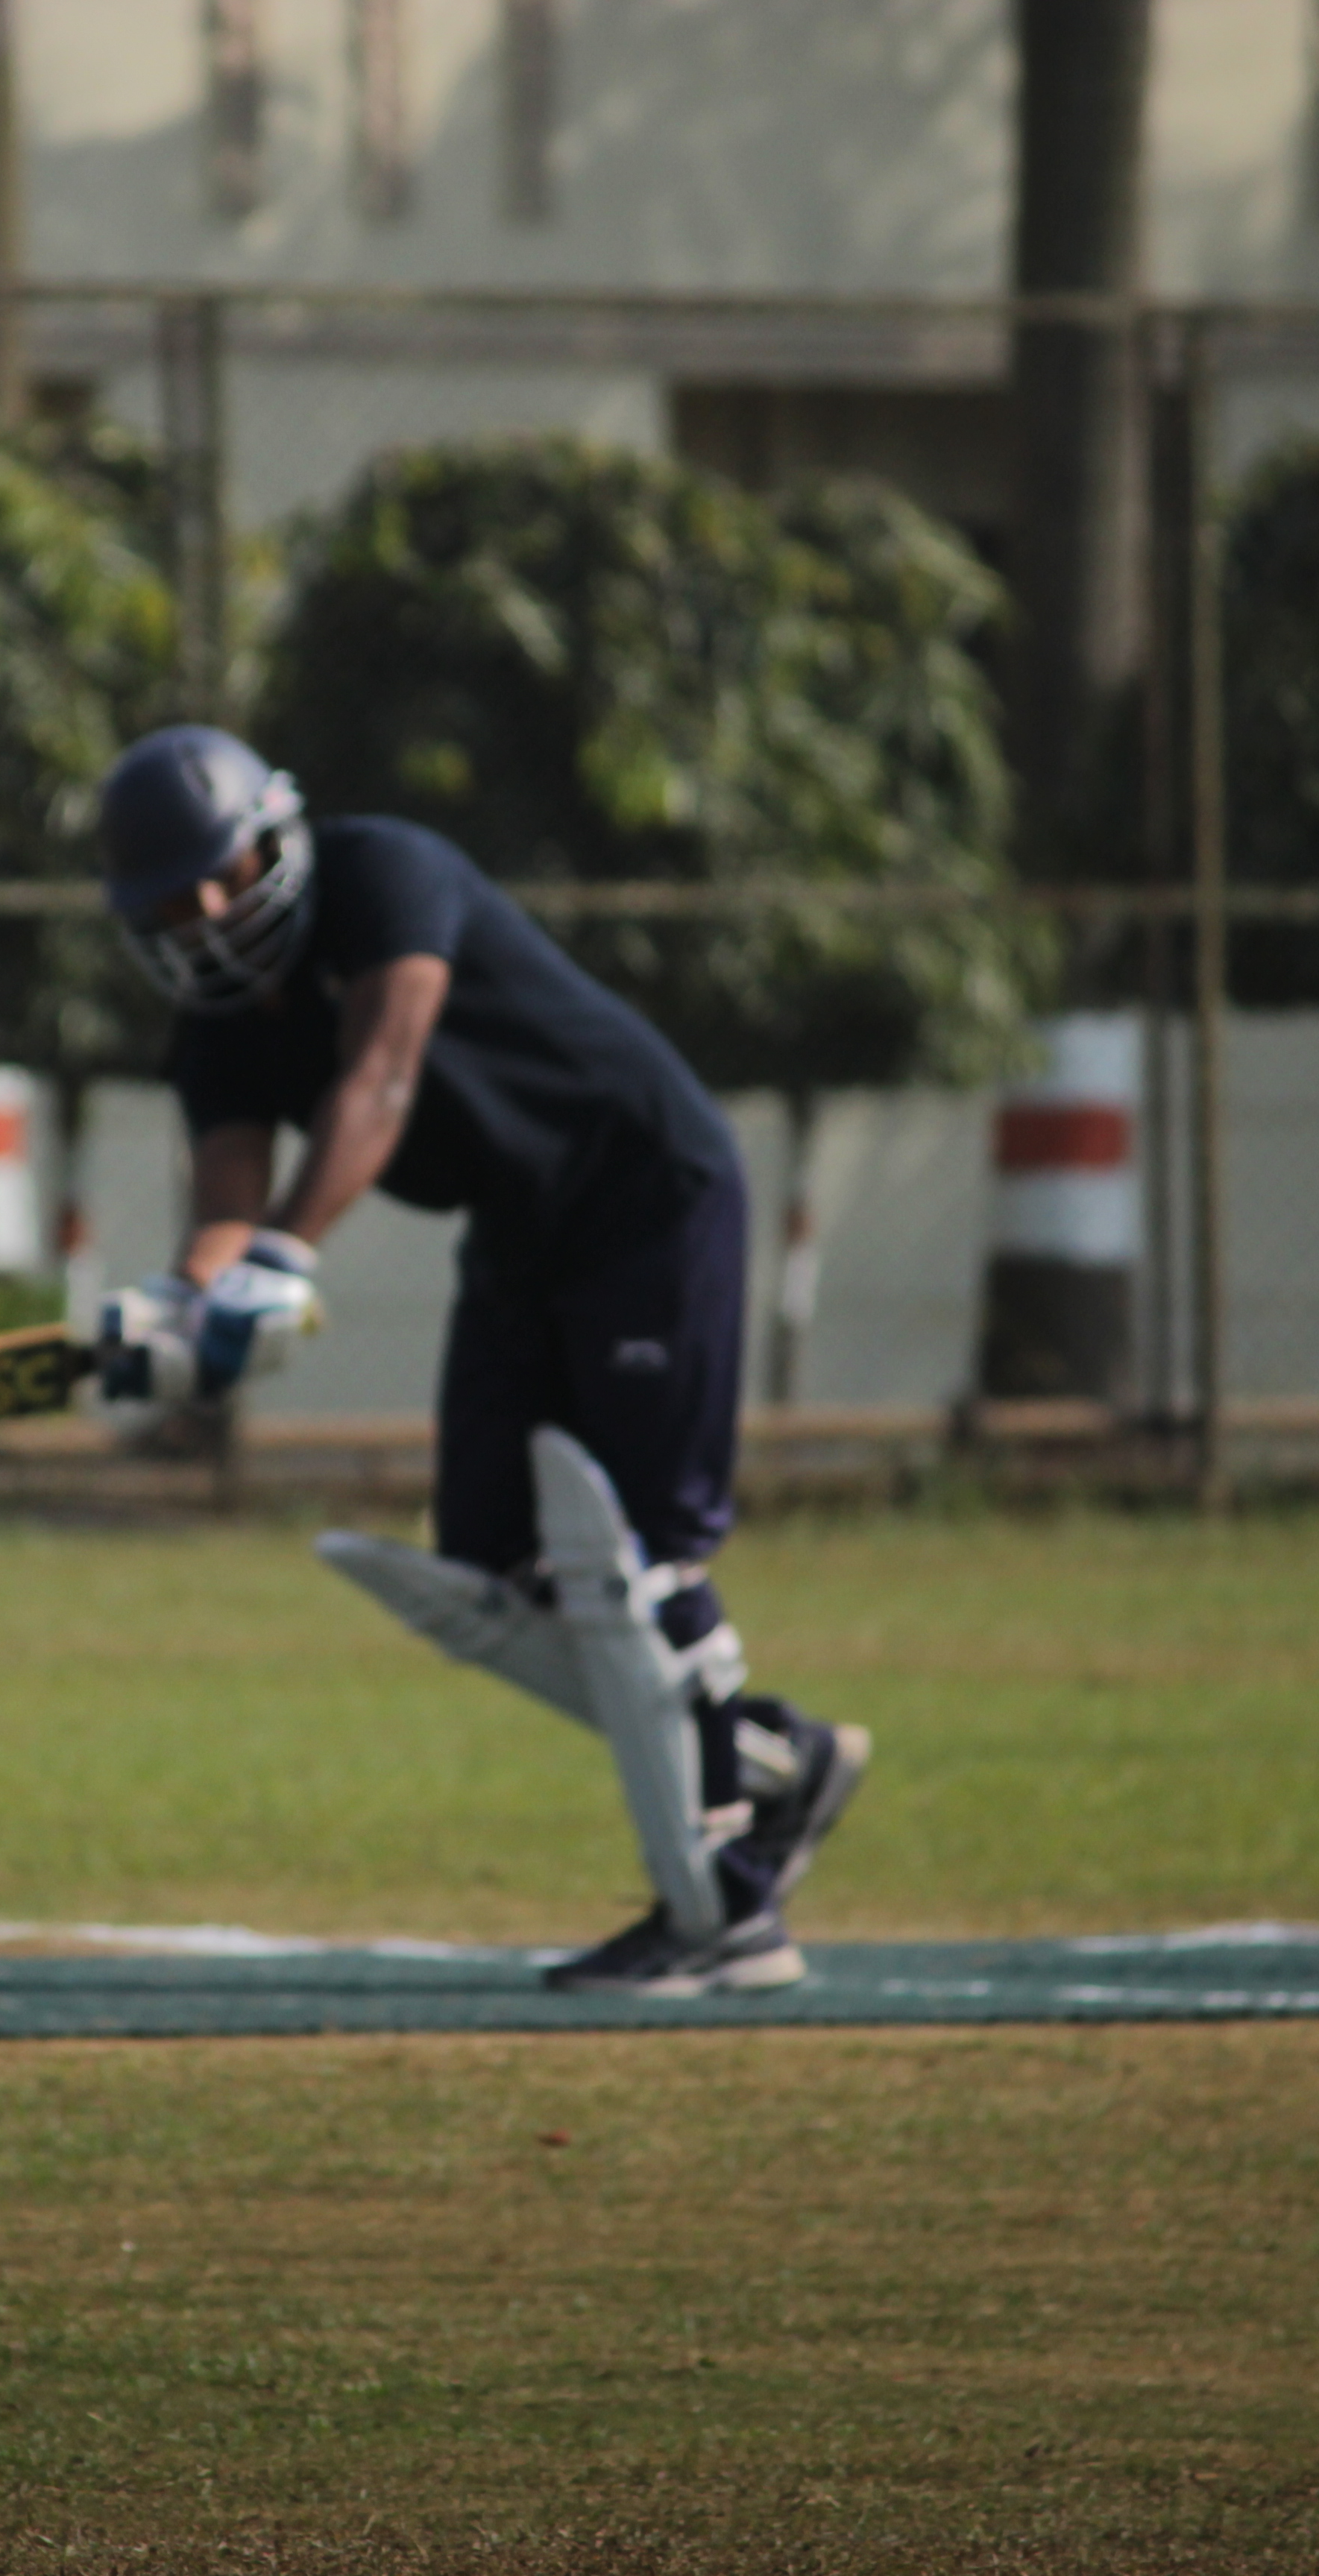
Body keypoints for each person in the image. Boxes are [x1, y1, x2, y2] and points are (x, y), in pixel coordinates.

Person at [89, 724, 865, 1995]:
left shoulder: (384, 872)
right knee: (495, 1572)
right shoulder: (216, 1021)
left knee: (633, 1558)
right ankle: (779, 1762)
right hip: (518, 1233)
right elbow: (223, 1189)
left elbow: (380, 1079)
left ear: (275, 835)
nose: (211, 915)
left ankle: (726, 1909)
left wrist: (283, 1256)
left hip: (644, 1190)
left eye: (222, 875)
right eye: (176, 900)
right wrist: (179, 1310)